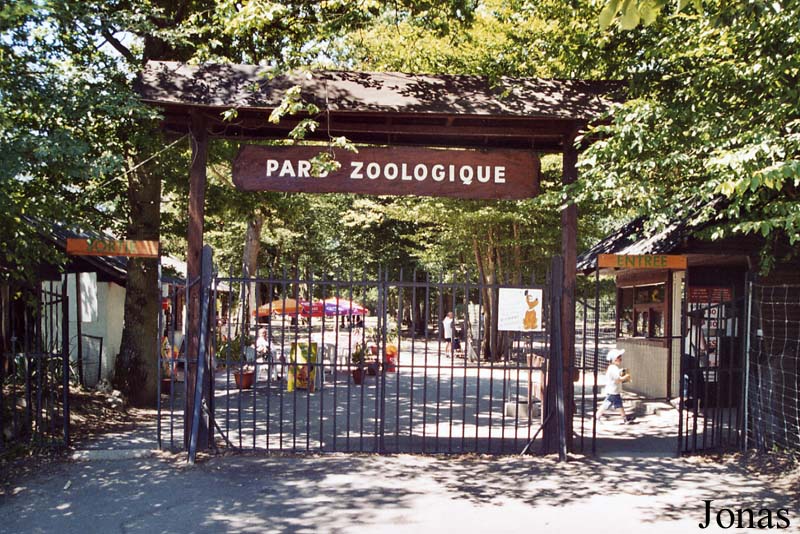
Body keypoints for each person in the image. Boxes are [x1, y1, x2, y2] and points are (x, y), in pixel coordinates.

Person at [596, 348, 634, 423]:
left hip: (614, 390)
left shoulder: (613, 368)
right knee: (606, 405)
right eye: (619, 357)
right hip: (612, 391)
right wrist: (626, 377)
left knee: (619, 404)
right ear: (614, 359)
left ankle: (625, 418)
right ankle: (597, 417)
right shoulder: (613, 368)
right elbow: (618, 380)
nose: (620, 359)